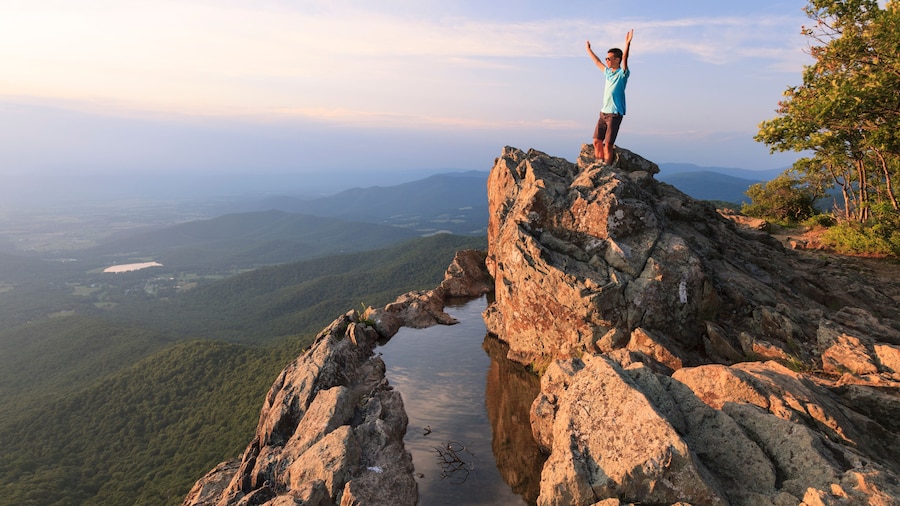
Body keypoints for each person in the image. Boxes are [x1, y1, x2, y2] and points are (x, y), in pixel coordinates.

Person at [586, 29, 633, 165]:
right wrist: (589, 50)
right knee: (596, 141)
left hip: (614, 114)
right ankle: (599, 164)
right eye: (606, 58)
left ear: (617, 60)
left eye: (609, 58)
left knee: (608, 144)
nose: (606, 60)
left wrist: (627, 44)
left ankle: (607, 167)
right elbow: (597, 62)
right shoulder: (608, 73)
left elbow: (625, 59)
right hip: (603, 112)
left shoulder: (622, 74)